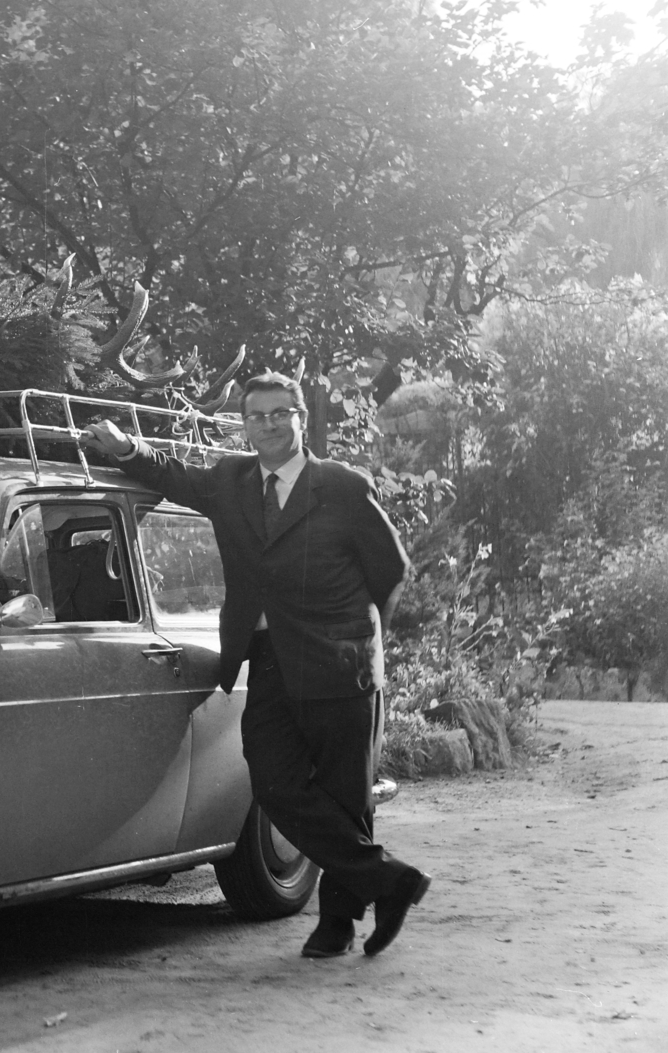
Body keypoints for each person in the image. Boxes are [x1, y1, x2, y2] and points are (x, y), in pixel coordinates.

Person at [79, 372, 429, 959]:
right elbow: (173, 475)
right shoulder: (232, 481)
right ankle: (389, 882)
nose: (267, 424)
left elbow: (391, 568)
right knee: (272, 780)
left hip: (340, 665)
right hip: (268, 661)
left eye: (278, 413)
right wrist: (125, 448)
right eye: (256, 416)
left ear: (300, 419)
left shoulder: (341, 485)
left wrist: (362, 638)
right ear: (245, 425)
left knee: (346, 797)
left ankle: (337, 923)